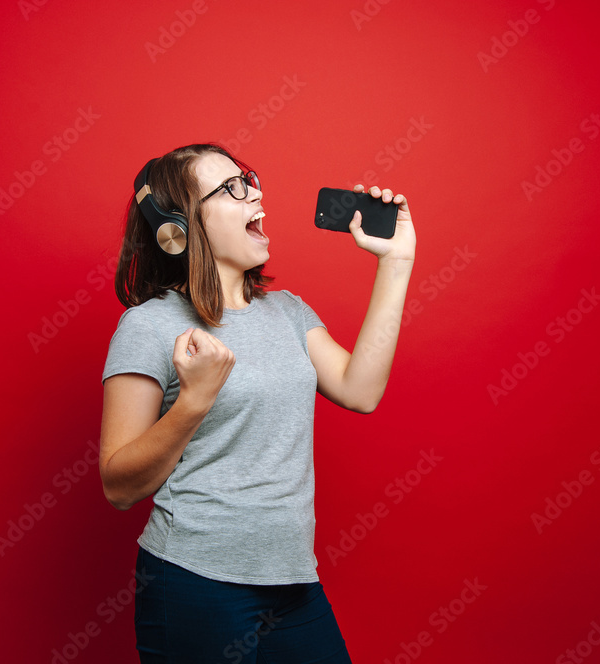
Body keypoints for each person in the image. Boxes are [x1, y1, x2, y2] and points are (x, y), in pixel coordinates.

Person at [98, 142, 416, 662]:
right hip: (194, 583)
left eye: (249, 179)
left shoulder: (289, 312)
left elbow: (361, 391)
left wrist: (397, 262)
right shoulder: (148, 325)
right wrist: (194, 400)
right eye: (231, 188)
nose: (255, 193)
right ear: (177, 230)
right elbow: (119, 487)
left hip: (293, 583)